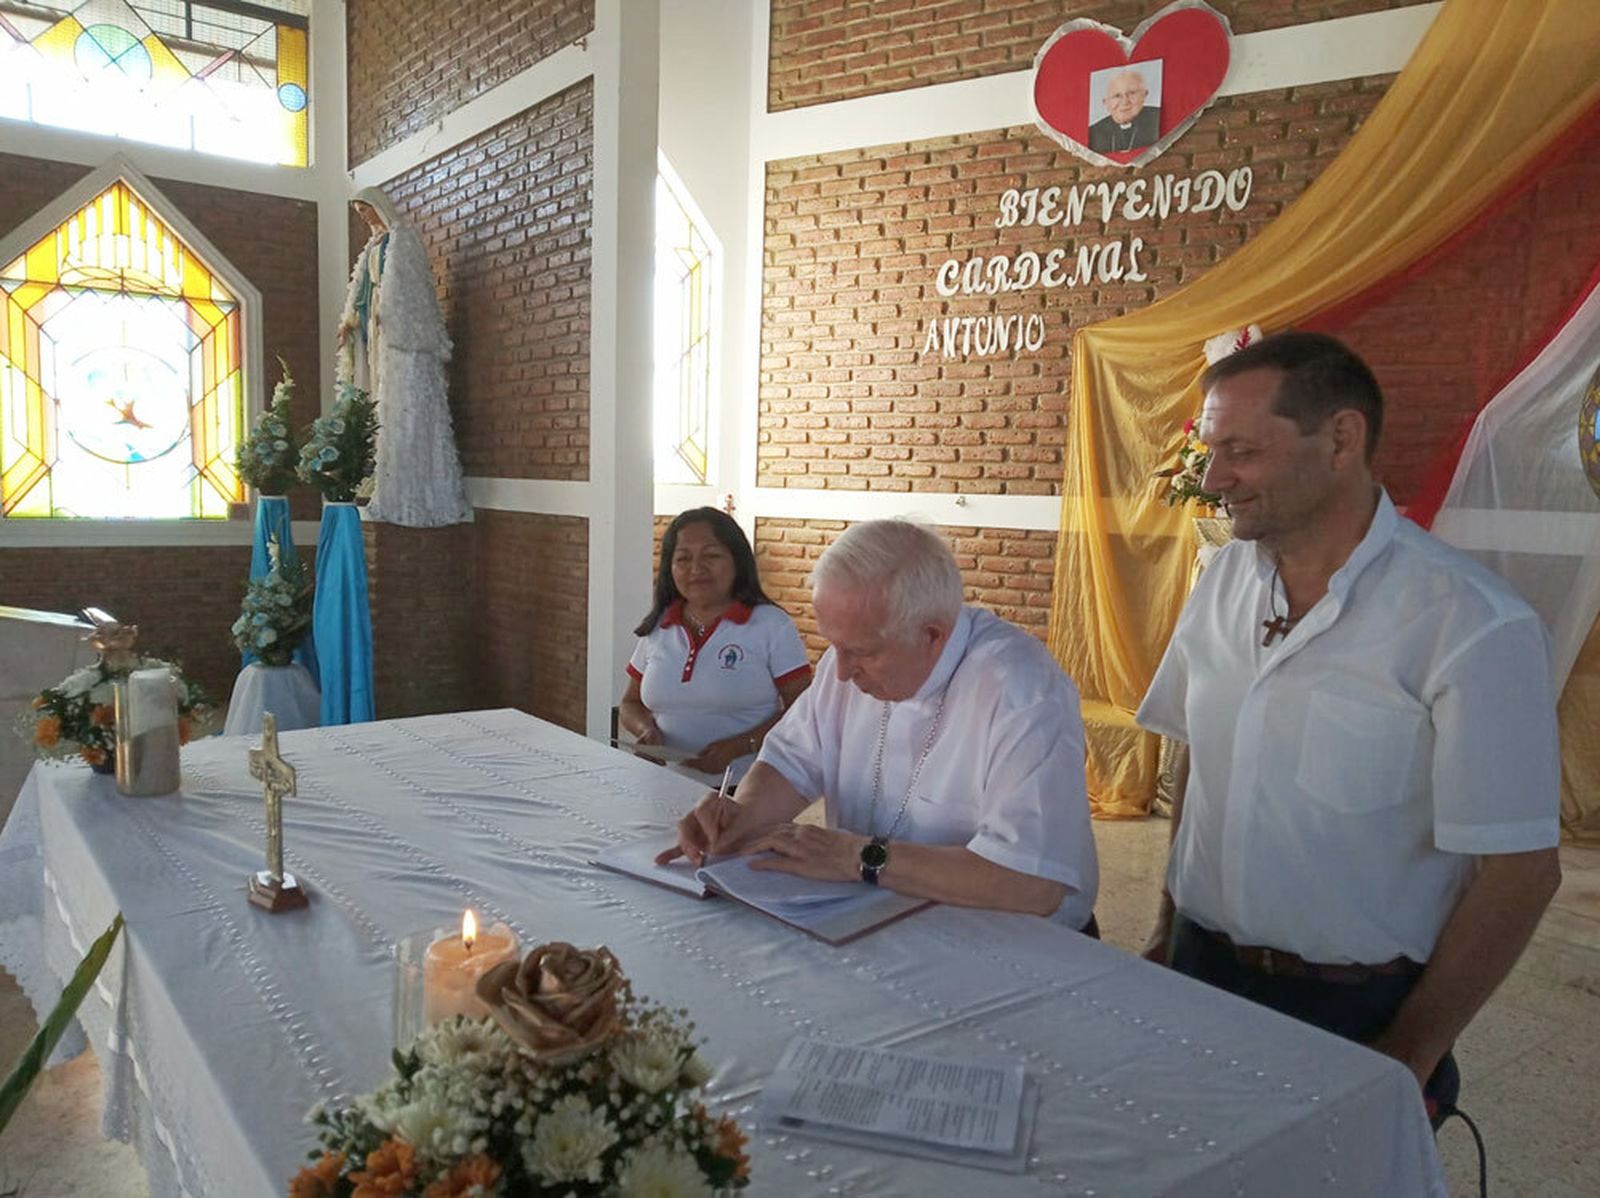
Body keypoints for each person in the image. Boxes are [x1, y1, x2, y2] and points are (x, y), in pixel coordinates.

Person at [1136, 331, 1562, 1117]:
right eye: (1210, 449)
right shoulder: (1223, 579)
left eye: (1241, 450)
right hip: (1197, 964)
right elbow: (1205, 761)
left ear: (1340, 439)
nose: (1214, 477)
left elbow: (1520, 873)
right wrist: (1168, 927)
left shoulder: (1469, 624)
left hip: (1352, 1008)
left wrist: (1410, 1053)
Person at [661, 520, 1099, 931]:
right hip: (871, 917)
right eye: (834, 646)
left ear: (932, 635)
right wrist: (738, 819)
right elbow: (790, 762)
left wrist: (858, 856)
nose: (841, 672)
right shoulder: (849, 658)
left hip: (1013, 941)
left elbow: (1034, 883)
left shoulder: (1022, 690)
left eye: (863, 652)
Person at [619, 508, 812, 785]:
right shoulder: (660, 625)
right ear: (670, 568)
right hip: (662, 783)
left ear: (737, 561)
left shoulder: (770, 624)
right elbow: (630, 703)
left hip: (746, 789)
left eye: (711, 556)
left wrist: (742, 745)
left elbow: (803, 709)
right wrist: (645, 730)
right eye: (683, 558)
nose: (696, 569)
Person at [337, 186, 472, 528]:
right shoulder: (372, 246)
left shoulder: (402, 241)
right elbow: (363, 290)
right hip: (373, 329)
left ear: (380, 208)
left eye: (366, 210)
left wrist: (392, 312)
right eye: (359, 214)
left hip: (392, 329)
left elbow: (412, 291)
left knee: (398, 399)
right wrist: (350, 321)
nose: (364, 217)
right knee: (372, 393)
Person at [1088, 67, 1160, 154]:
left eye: (1132, 93)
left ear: (1144, 95)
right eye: (1117, 96)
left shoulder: (1158, 118)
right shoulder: (1094, 132)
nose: (1125, 102)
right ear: (1106, 102)